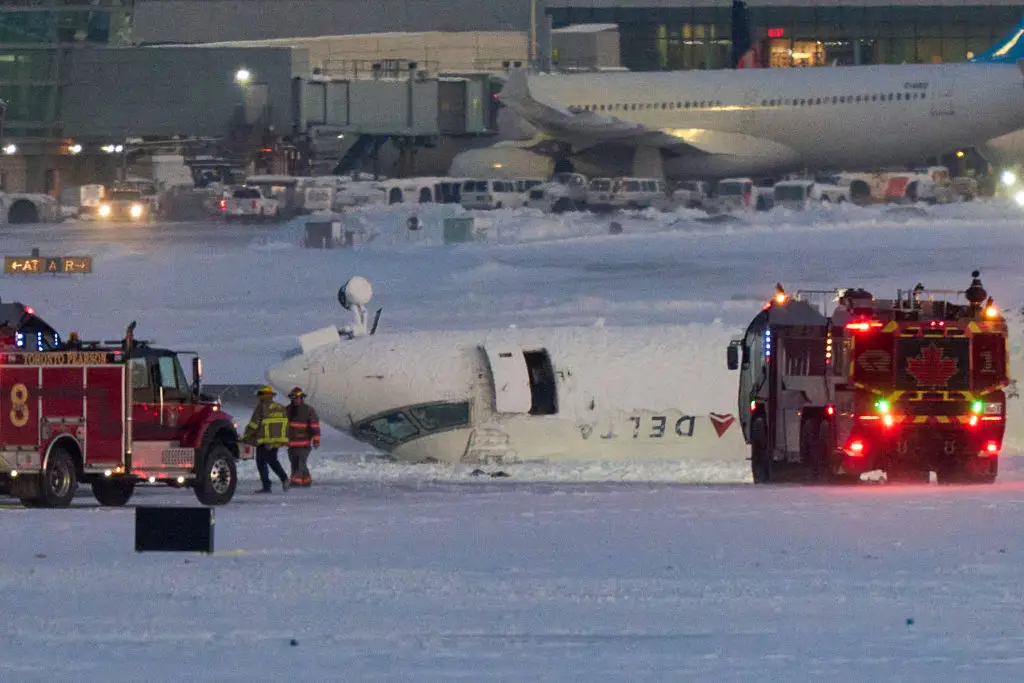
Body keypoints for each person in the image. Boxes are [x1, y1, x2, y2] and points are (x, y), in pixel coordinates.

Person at [241, 385, 291, 493]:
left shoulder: (261, 407)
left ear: (262, 396)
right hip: (276, 441)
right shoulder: (281, 407)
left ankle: (266, 486)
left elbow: (254, 425)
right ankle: (285, 479)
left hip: (264, 441)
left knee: (261, 463)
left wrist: (246, 436)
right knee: (273, 461)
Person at [286, 386, 320, 487]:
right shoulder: (287, 410)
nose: (296, 400)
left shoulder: (308, 410)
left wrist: (316, 440)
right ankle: (306, 480)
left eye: (298, 398)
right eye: (294, 398)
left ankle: (295, 481)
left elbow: (315, 426)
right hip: (291, 443)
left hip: (304, 443)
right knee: (296, 462)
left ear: (302, 398)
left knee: (298, 463)